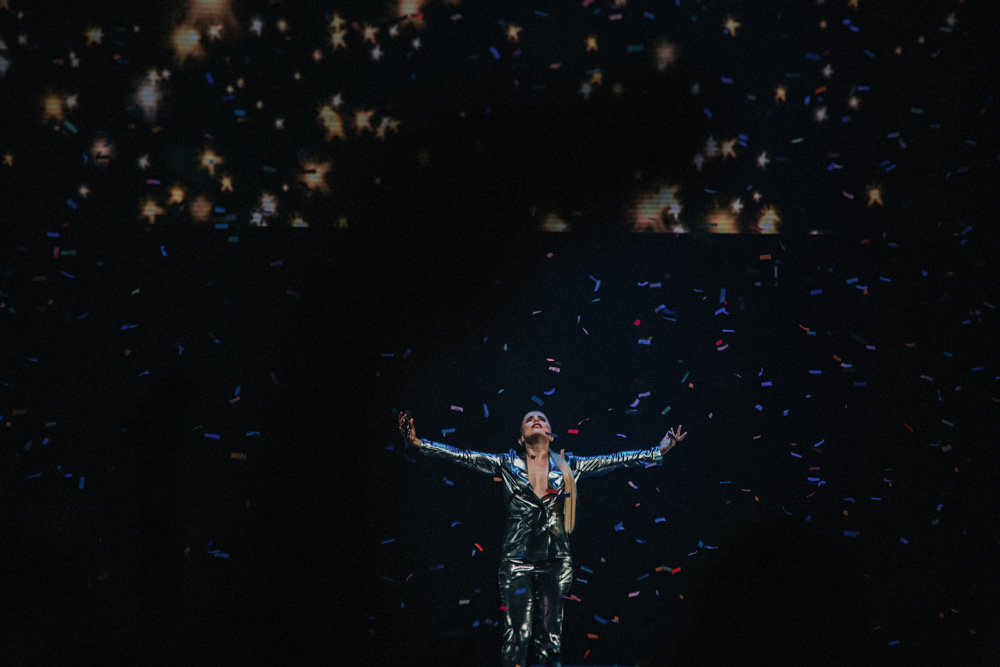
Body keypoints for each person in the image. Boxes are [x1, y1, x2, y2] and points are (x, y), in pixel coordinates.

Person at [397, 409, 687, 667]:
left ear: (551, 434)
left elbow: (613, 459)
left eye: (542, 418)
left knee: (550, 639)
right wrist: (419, 444)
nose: (535, 420)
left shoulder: (569, 465)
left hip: (555, 561)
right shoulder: (506, 464)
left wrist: (657, 452)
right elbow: (462, 456)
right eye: (528, 419)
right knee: (516, 636)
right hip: (515, 561)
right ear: (521, 438)